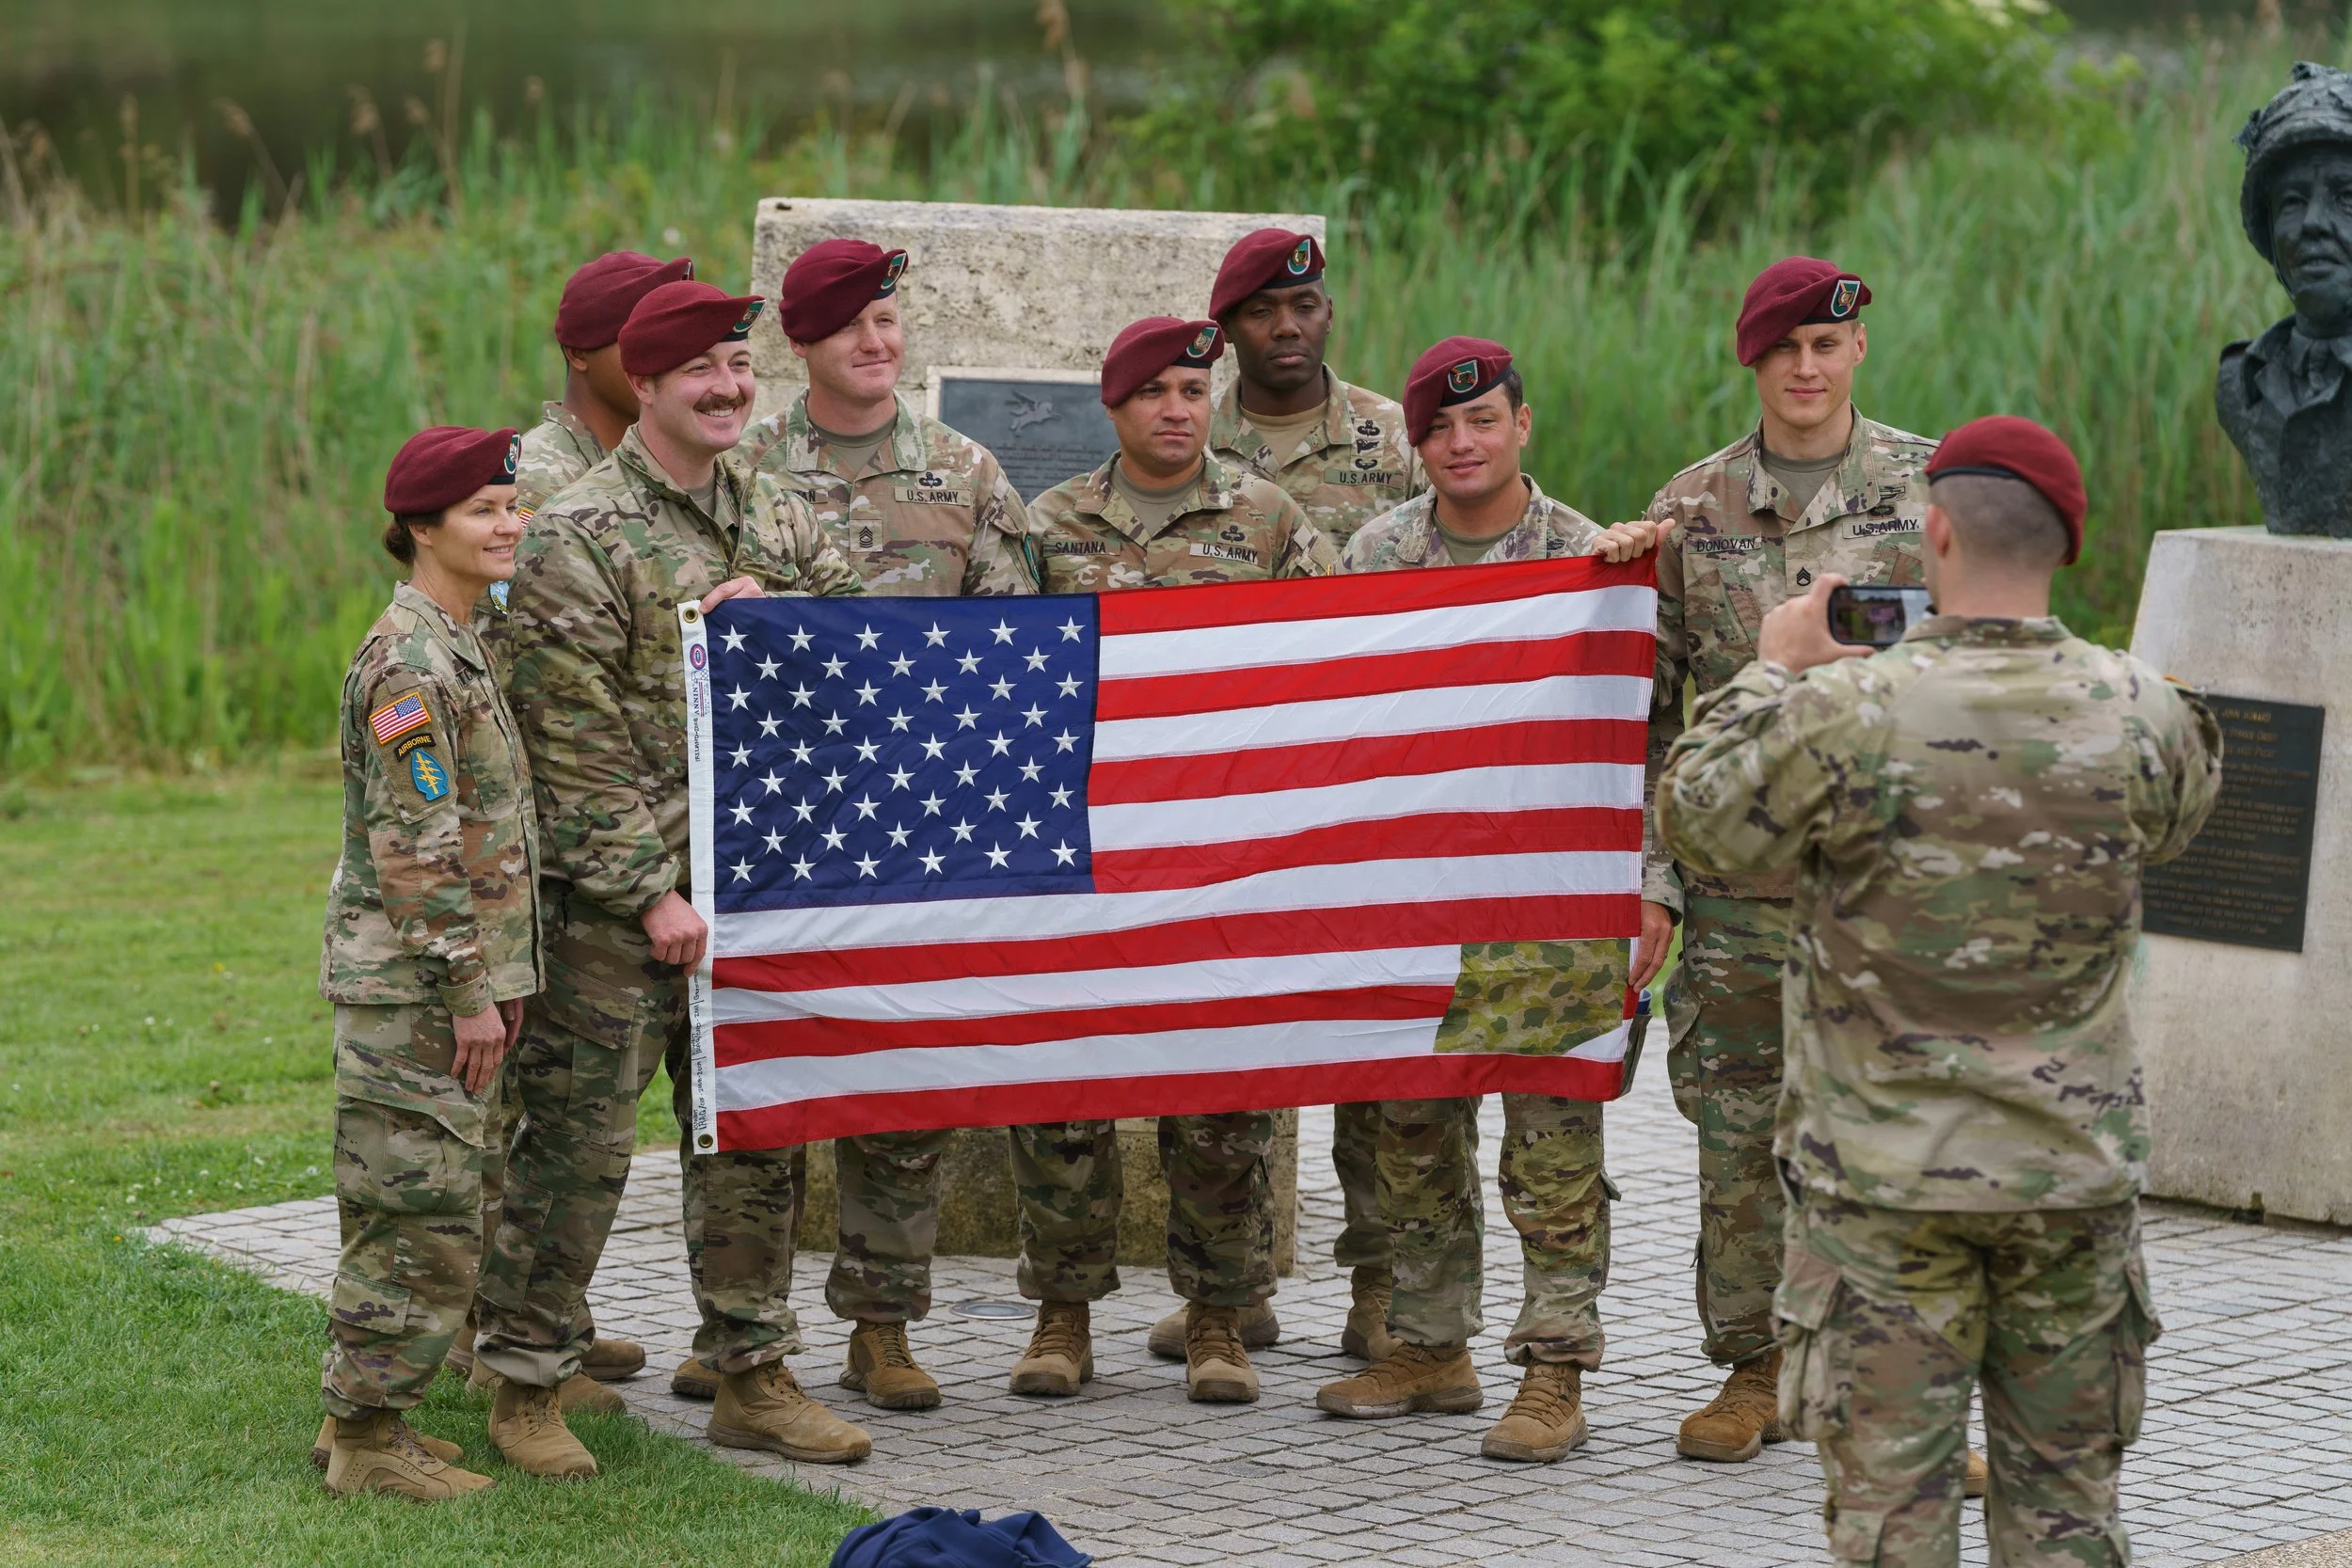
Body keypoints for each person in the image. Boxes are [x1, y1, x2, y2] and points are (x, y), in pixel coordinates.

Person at [1655, 415, 2220, 1567]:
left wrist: (1773, 662)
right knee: (2067, 1515)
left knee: (1890, 1522)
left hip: (1881, 1194)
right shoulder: (2143, 711)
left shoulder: (1841, 710)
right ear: (2066, 540)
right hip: (2069, 1184)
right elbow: (2181, 812)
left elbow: (1700, 813)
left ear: (1937, 532)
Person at [473, 279, 872, 1477]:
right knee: (576, 1151)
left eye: (739, 364)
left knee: (748, 1140)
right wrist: (651, 894)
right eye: (698, 368)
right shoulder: (577, 532)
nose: (728, 385)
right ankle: (528, 1381)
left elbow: (860, 637)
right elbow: (569, 738)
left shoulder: (779, 509)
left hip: (751, 879)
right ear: (639, 385)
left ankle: (750, 1369)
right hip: (614, 907)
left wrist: (781, 618)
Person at [654, 240, 1045, 1415]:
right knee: (751, 1093)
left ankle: (883, 1325)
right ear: (804, 347)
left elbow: (1012, 645)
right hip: (771, 826)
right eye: (851, 329)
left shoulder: (968, 472)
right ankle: (738, 1328)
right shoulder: (747, 467)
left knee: (901, 1083)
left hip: (910, 825)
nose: (877, 345)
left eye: (889, 322)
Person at [1311, 338, 1661, 1462]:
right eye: (1438, 429)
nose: (1461, 444)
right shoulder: (1374, 553)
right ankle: (1428, 1342)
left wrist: (1650, 885)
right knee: (1408, 1131)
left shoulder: (1590, 556)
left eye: (1483, 422)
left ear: (1522, 424)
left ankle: (1555, 1366)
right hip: (1414, 890)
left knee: (1551, 1140)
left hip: (1549, 895)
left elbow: (1644, 738)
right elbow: (1333, 719)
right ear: (1416, 444)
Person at [1642, 257, 1938, 1465]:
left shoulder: (1931, 496)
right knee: (1740, 1135)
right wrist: (1656, 880)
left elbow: (1973, 672)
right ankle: (1755, 1368)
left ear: (1858, 349)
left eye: (1826, 347)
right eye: (1784, 353)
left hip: (1884, 885)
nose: (1807, 371)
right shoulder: (1691, 509)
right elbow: (1650, 713)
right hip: (1737, 891)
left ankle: (1895, 1392)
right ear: (1751, 362)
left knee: (1894, 1140)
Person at [1007, 314, 1334, 1407]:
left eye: (1192, 388)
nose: (1176, 408)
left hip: (1218, 848)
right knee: (1063, 1089)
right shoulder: (1049, 524)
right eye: (1152, 391)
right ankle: (1063, 1312)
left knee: (1218, 1093)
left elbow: (1334, 651)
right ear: (1114, 407)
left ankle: (1218, 1315)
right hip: (1082, 842)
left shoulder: (1269, 518)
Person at [1143, 227, 1424, 1369]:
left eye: (1306, 304)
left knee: (1368, 1056)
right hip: (1228, 794)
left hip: (1359, 784)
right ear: (1228, 331)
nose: (1291, 328)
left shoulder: (1393, 440)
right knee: (1223, 1053)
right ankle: (1232, 1286)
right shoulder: (1182, 432)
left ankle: (1380, 1291)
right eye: (1264, 312)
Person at [445, 248, 688, 1393]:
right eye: (643, 328)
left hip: (615, 824)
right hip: (534, 831)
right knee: (536, 1101)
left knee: (589, 1095)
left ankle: (545, 1312)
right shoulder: (533, 478)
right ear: (591, 353)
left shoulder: (659, 464)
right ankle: (484, 1330)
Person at [314, 425, 539, 1499]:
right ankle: (367, 1442)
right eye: (487, 509)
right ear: (419, 527)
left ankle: (361, 1416)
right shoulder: (411, 661)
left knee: (408, 1200)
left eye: (513, 504)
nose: (510, 525)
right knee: (421, 1214)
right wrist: (470, 992)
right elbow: (418, 852)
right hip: (416, 988)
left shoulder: (457, 639)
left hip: (429, 983)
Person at [511, 249, 696, 517]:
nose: (668, 359)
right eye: (642, 342)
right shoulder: (539, 482)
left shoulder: (668, 460)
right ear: (578, 353)